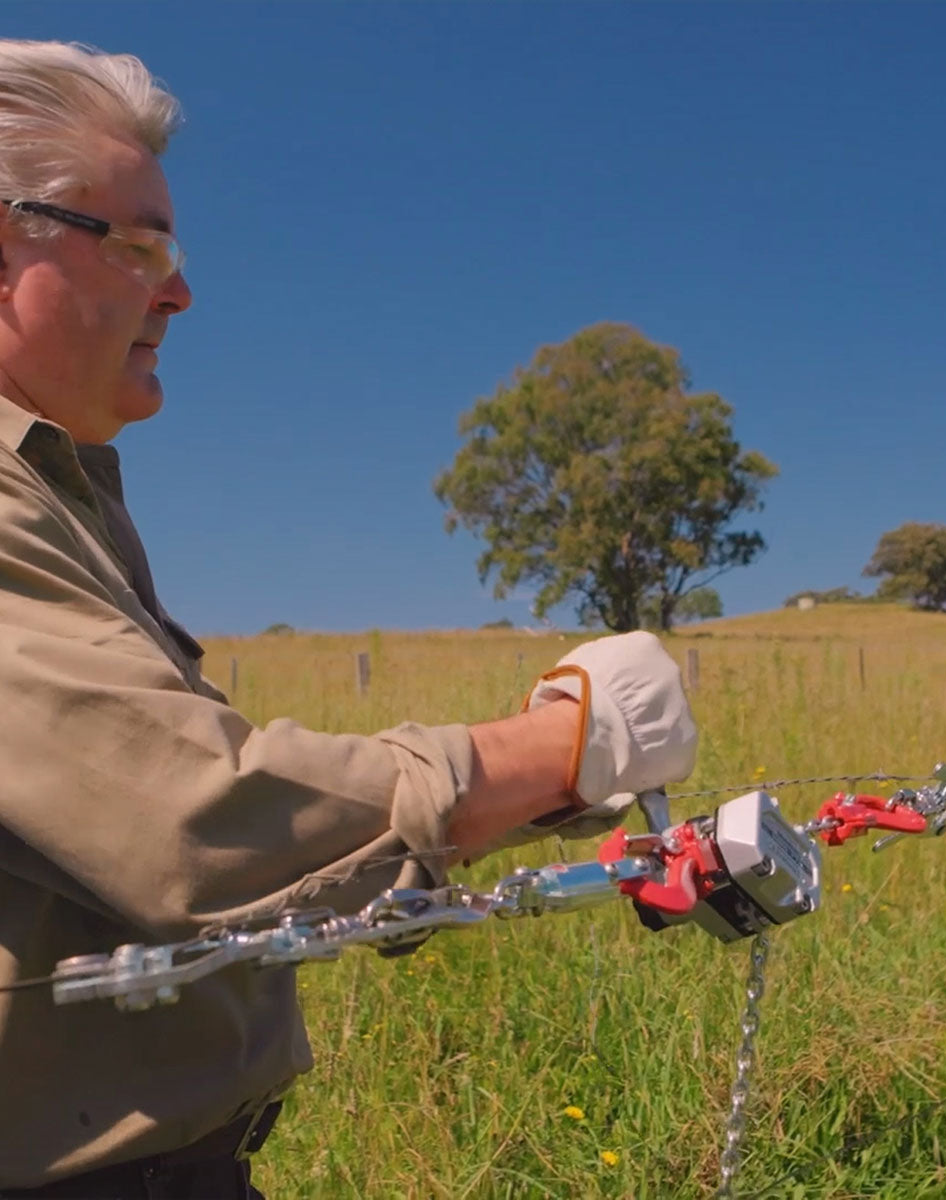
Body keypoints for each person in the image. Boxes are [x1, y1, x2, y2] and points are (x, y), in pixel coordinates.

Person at [0, 40, 697, 1199]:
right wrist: (558, 746)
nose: (177, 288)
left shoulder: (56, 495)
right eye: (135, 241)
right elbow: (195, 823)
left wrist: (534, 780)